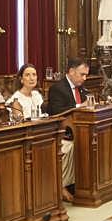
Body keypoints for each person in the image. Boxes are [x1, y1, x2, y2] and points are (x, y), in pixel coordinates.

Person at [46, 58, 88, 201]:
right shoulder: (58, 88)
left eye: (85, 75)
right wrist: (79, 107)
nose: (84, 78)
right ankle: (62, 186)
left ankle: (84, 183)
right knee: (70, 147)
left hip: (79, 130)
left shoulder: (82, 88)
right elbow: (57, 112)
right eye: (82, 74)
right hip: (62, 132)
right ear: (71, 71)